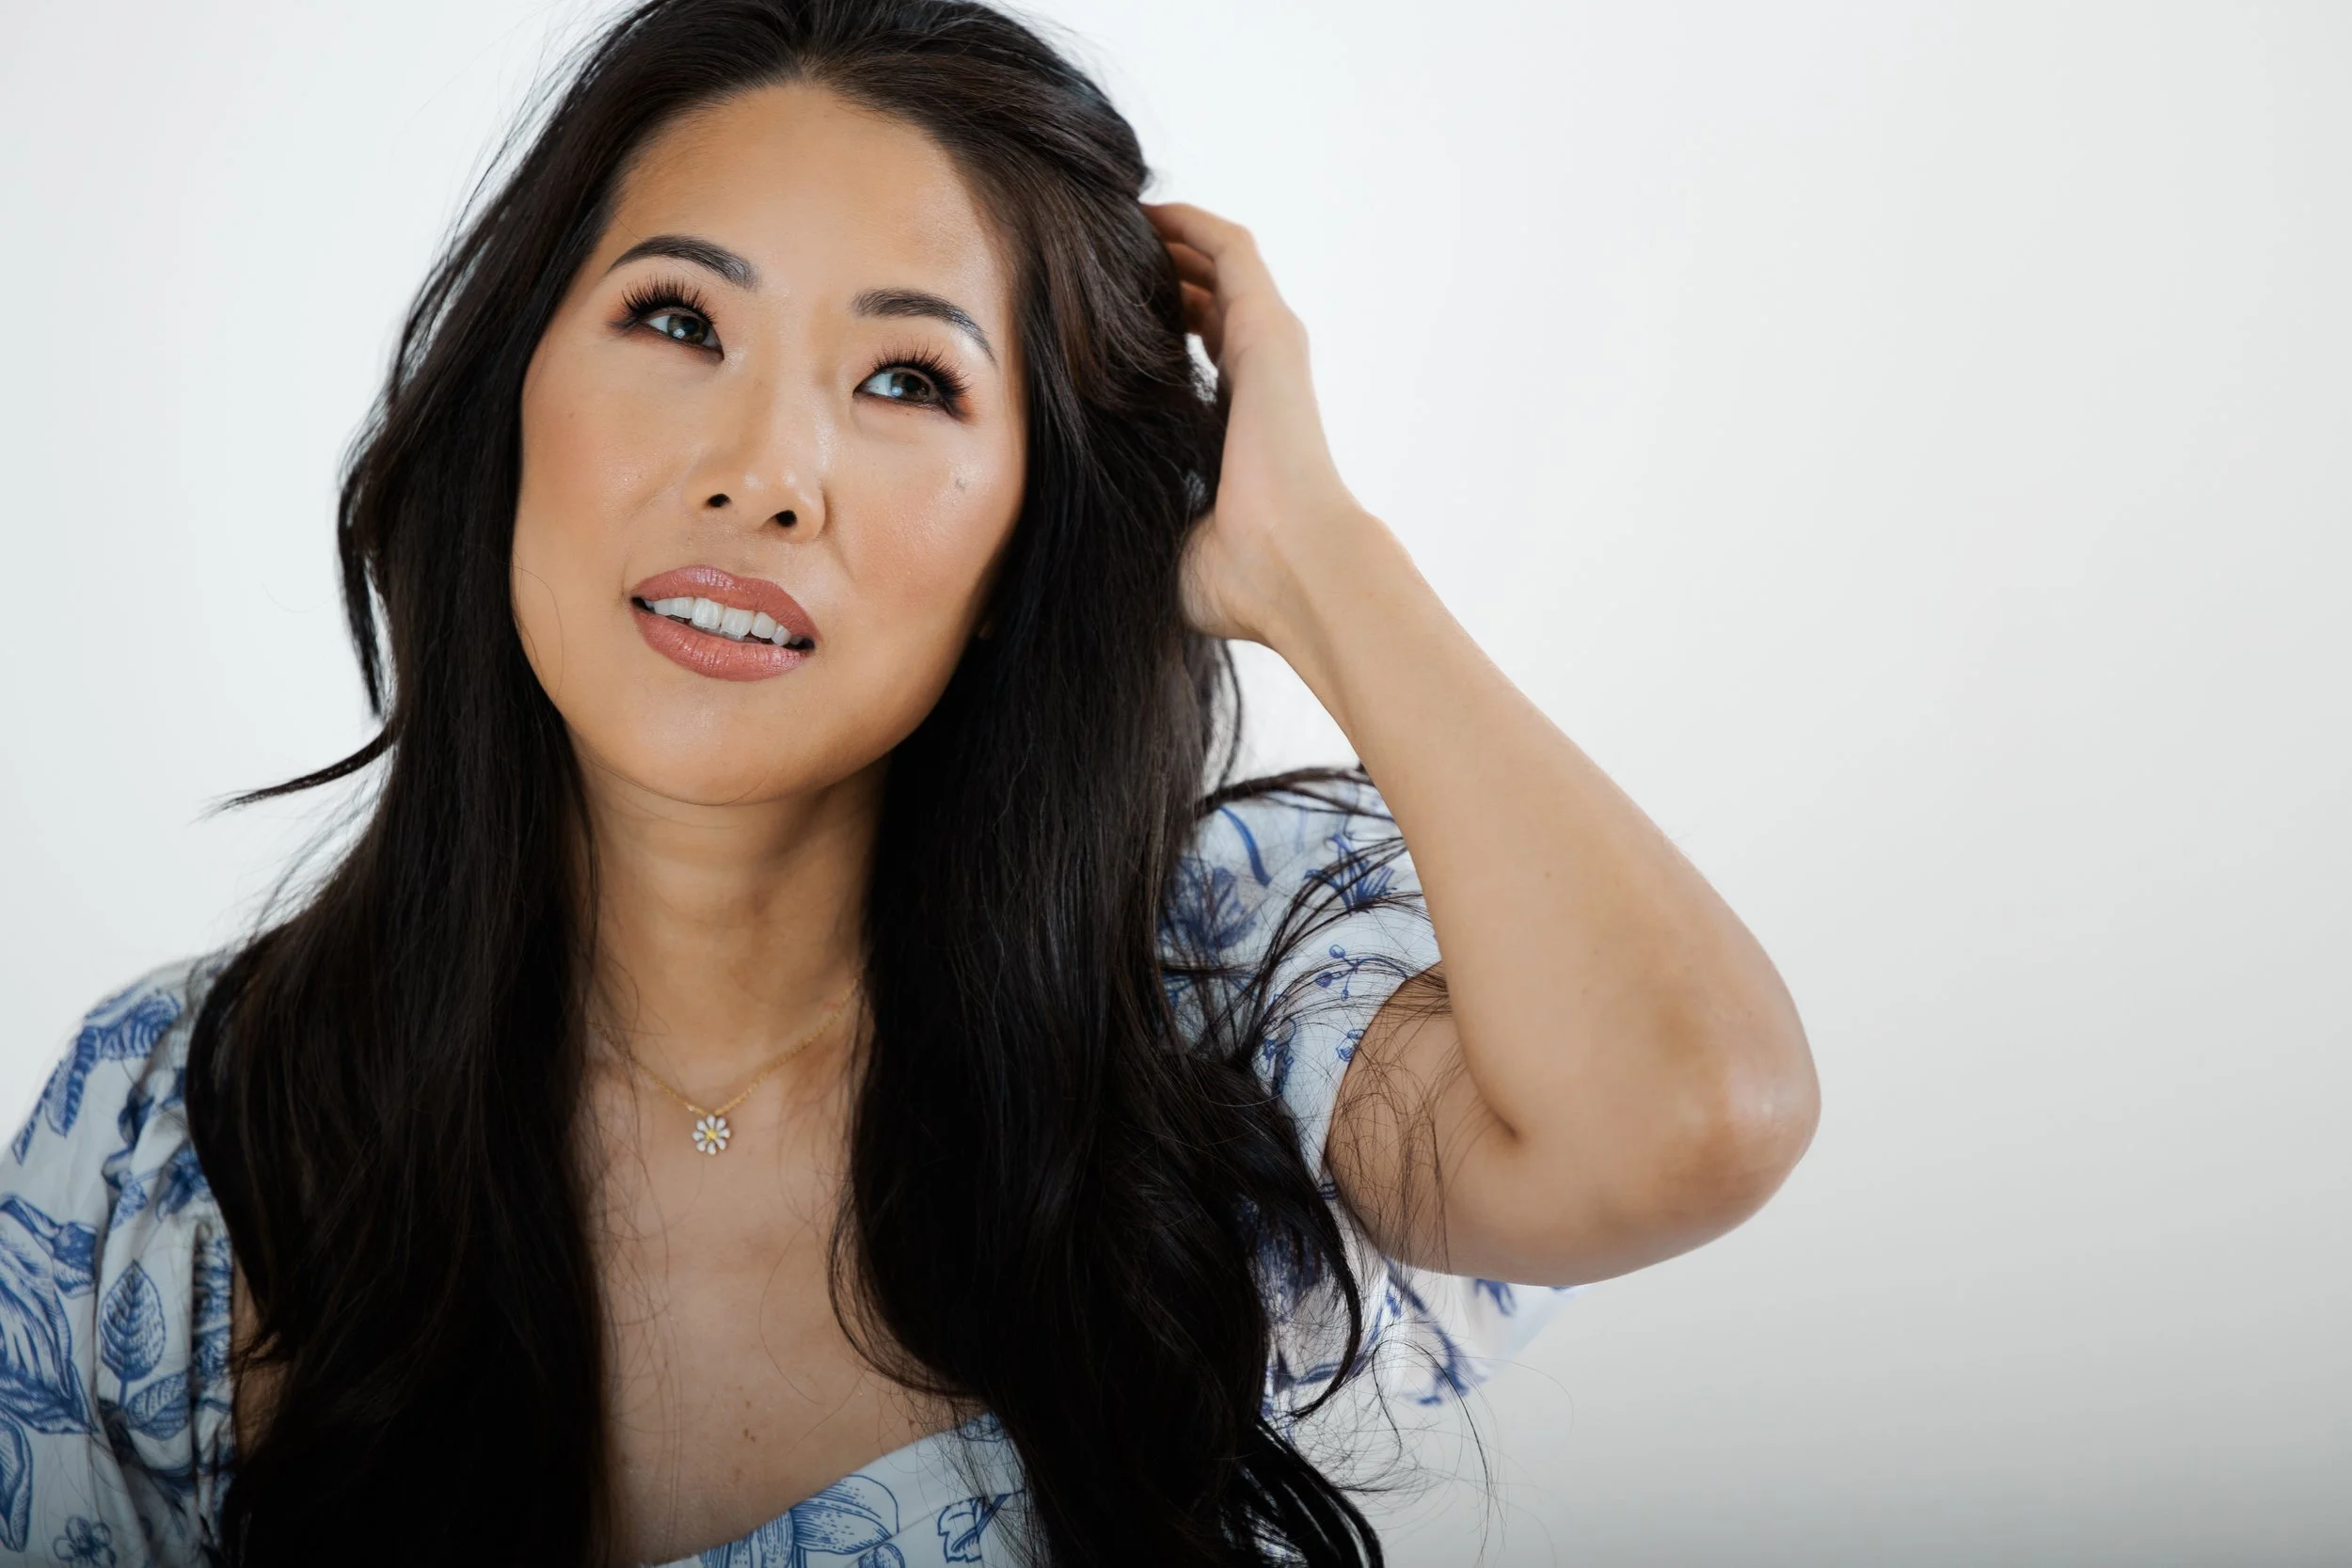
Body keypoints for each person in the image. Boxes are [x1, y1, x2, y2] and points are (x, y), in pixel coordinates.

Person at [0, 1, 1820, 1562]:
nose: (766, 471)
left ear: (1038, 524)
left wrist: (1317, 555)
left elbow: (1698, 1116)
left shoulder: (1218, 1004)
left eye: (905, 380)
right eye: (677, 323)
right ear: (514, 391)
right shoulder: (173, 1132)